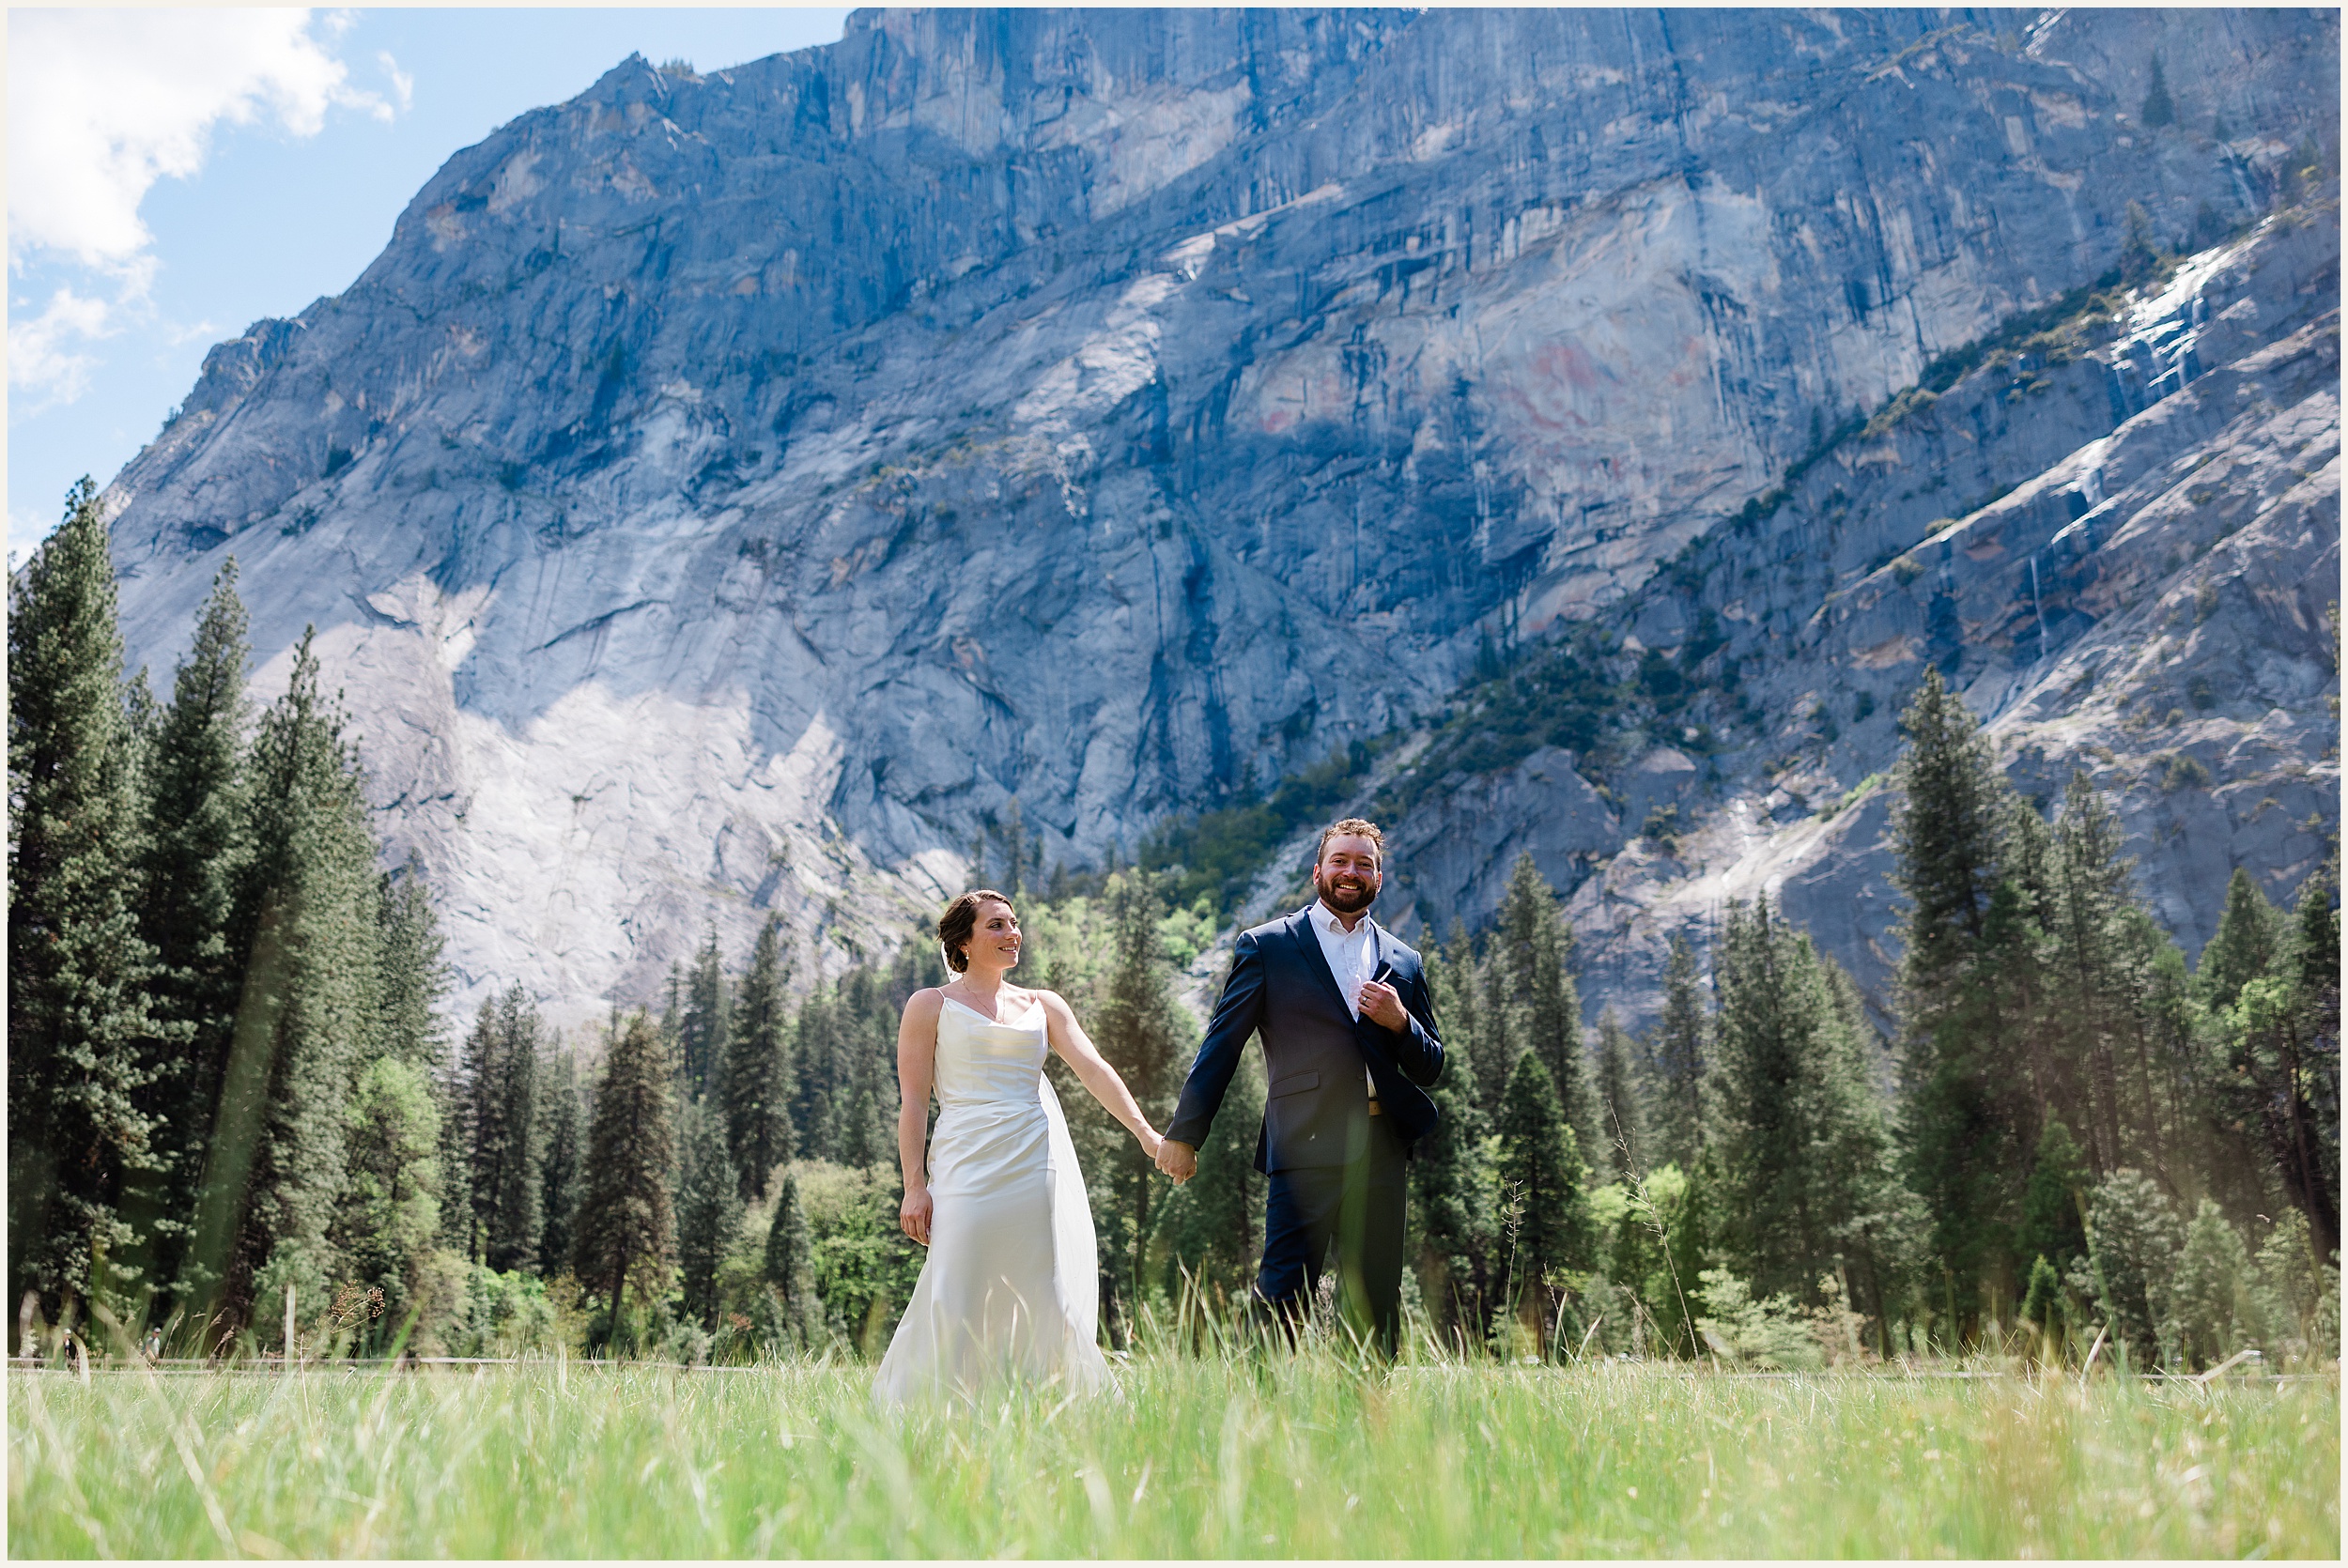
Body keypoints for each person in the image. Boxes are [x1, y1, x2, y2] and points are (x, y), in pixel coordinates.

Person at [1157, 818, 1443, 1357]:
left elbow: (1431, 1066)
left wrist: (1401, 1021)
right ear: (1318, 870)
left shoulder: (1404, 959)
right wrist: (1185, 1135)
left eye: (1364, 863)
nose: (1350, 872)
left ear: (1379, 877)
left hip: (1381, 1149)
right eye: (1340, 860)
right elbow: (1220, 1046)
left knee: (1375, 1299)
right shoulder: (1268, 947)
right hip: (1304, 1144)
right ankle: (1263, 1423)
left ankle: (1371, 1428)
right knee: (1282, 1297)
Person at [873, 888, 1165, 1405]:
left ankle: (1043, 1400)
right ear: (963, 942)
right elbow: (914, 1102)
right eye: (996, 926)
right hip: (963, 1160)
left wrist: (1145, 1132)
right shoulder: (930, 1006)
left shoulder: (1043, 1005)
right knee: (958, 1275)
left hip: (1032, 1160)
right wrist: (914, 1187)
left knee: (1034, 1281)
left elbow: (1095, 1070)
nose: (1012, 934)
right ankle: (937, 1403)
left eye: (1013, 924)